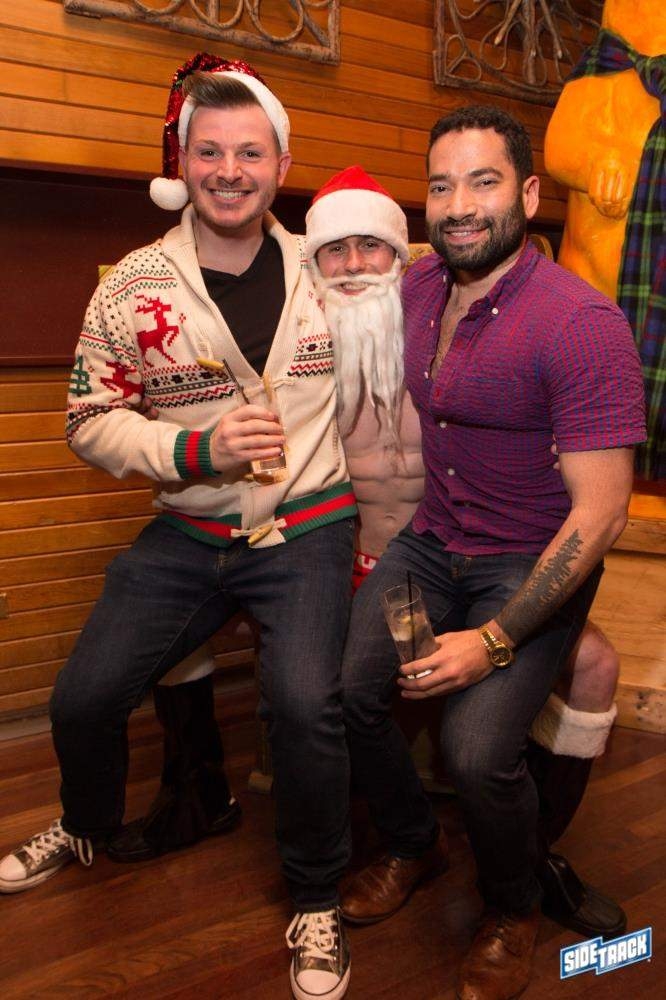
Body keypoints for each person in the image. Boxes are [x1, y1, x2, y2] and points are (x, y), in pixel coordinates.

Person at [115, 166, 628, 940]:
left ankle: (533, 854)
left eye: (373, 248)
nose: (355, 265)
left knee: (593, 666)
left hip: (475, 561)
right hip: (375, 572)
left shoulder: (443, 329)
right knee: (342, 686)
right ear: (313, 266)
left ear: (403, 258)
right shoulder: (294, 352)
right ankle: (407, 839)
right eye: (335, 251)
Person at [0, 53, 356, 1000]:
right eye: (210, 152)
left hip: (307, 527)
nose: (229, 172)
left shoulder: (328, 271)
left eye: (250, 153)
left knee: (305, 706)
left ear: (282, 166)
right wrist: (194, 451)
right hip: (192, 531)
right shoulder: (132, 284)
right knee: (82, 700)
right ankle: (86, 822)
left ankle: (317, 896)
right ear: (183, 162)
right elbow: (88, 420)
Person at [338, 108, 646, 1000]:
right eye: (442, 186)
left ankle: (513, 907)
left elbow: (601, 515)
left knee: (475, 751)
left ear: (530, 194)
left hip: (530, 562)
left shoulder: (581, 324)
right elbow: (328, 290)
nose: (460, 205)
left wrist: (496, 638)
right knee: (353, 687)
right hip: (432, 544)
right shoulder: (419, 286)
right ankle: (415, 844)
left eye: (484, 182)